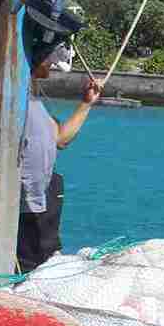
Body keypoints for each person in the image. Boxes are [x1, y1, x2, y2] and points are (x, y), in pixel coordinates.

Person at [16, 42, 105, 274]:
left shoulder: (35, 105)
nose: (53, 64)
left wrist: (86, 104)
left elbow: (60, 139)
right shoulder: (15, 101)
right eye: (49, 59)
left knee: (40, 266)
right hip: (22, 206)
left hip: (41, 202)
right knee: (26, 269)